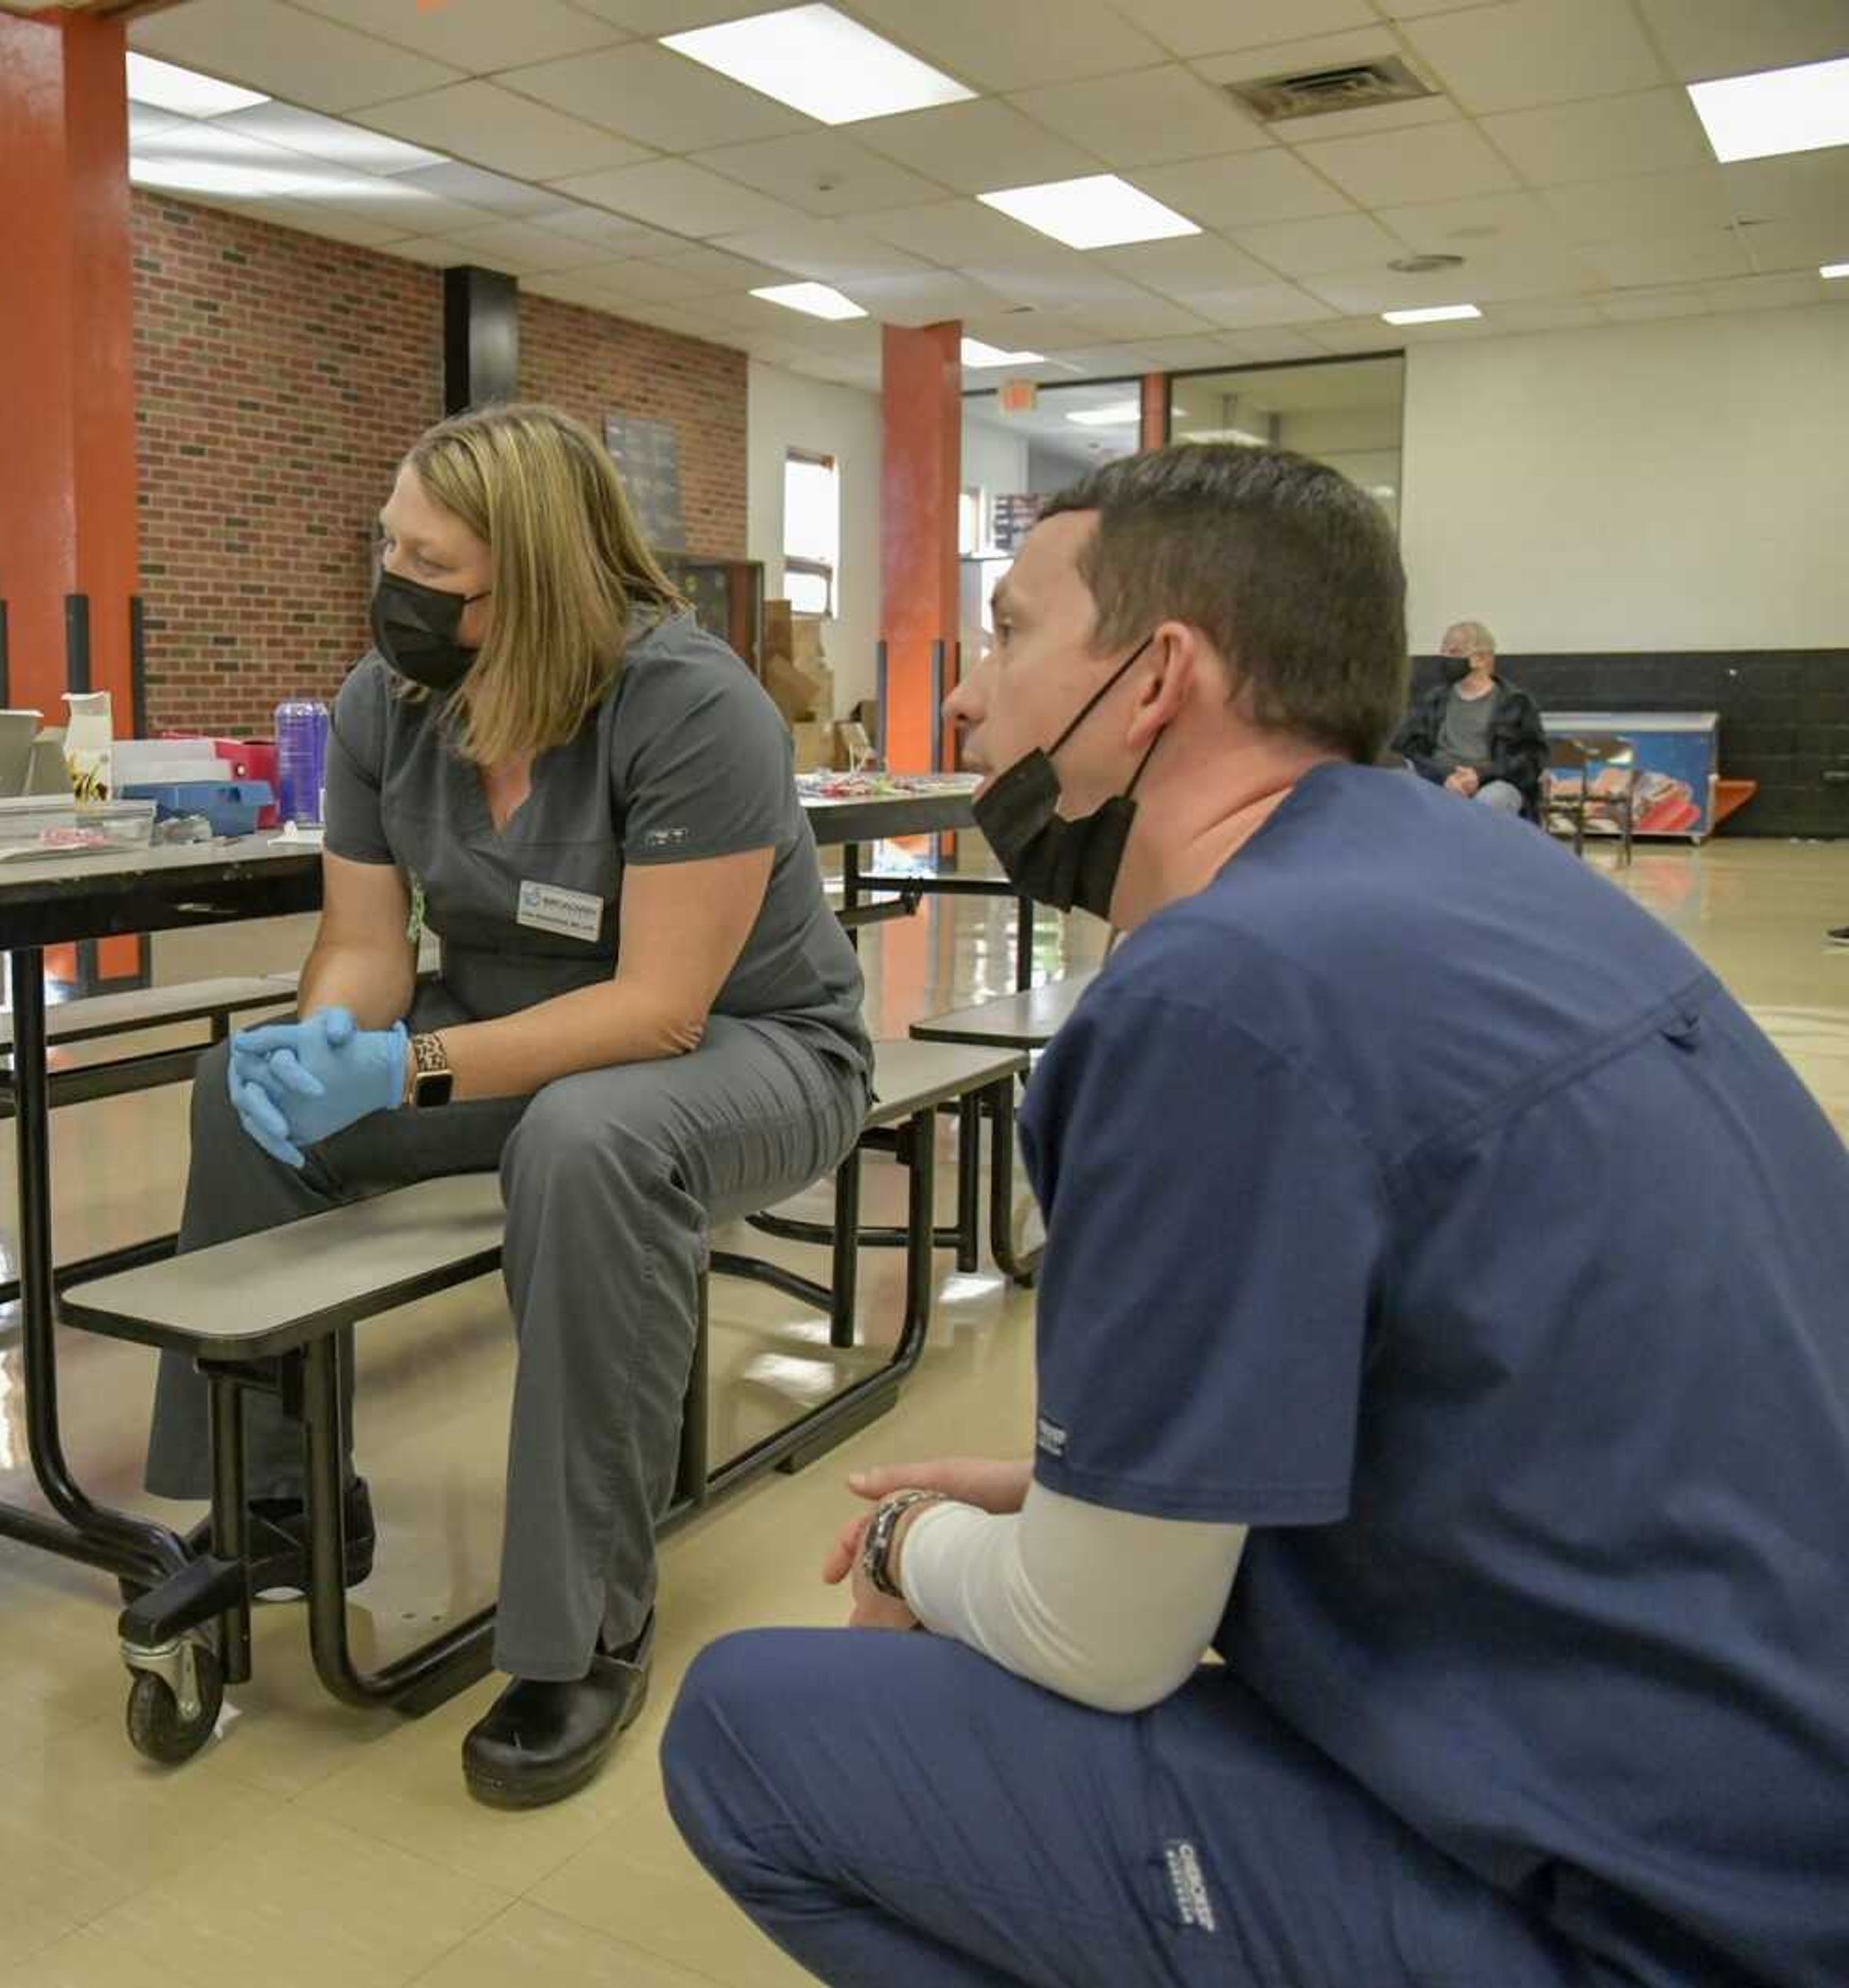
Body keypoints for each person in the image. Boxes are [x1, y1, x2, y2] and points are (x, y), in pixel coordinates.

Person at [661, 444, 1849, 1987]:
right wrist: (1090, 1488)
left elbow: (1107, 1636)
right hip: (1776, 1801)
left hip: (1663, 1924)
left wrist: (909, 1536)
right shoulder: (1482, 874)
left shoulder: (1221, 990)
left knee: (749, 1736)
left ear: (1157, 677)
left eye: (1011, 632)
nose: (964, 701)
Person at [141, 402, 872, 1808]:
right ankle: (281, 1499)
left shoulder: (688, 701)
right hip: (502, 1031)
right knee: (241, 1097)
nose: (395, 582)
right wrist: (324, 1045)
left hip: (749, 1044)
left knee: (589, 1137)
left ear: (532, 573)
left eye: (434, 559)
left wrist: (410, 1067)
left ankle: (582, 1617)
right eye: (389, 545)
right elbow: (363, 943)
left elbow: (660, 1006)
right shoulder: (387, 705)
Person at [1391, 617, 1546, 816]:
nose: (1445, 657)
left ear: (1481, 659)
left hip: (1492, 782)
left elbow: (1530, 760)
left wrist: (1479, 776)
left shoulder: (1516, 703)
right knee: (1401, 785)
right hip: (1438, 778)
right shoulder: (1434, 700)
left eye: (1454, 652)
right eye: (1443, 650)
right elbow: (1408, 748)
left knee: (1491, 800)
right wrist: (1443, 777)